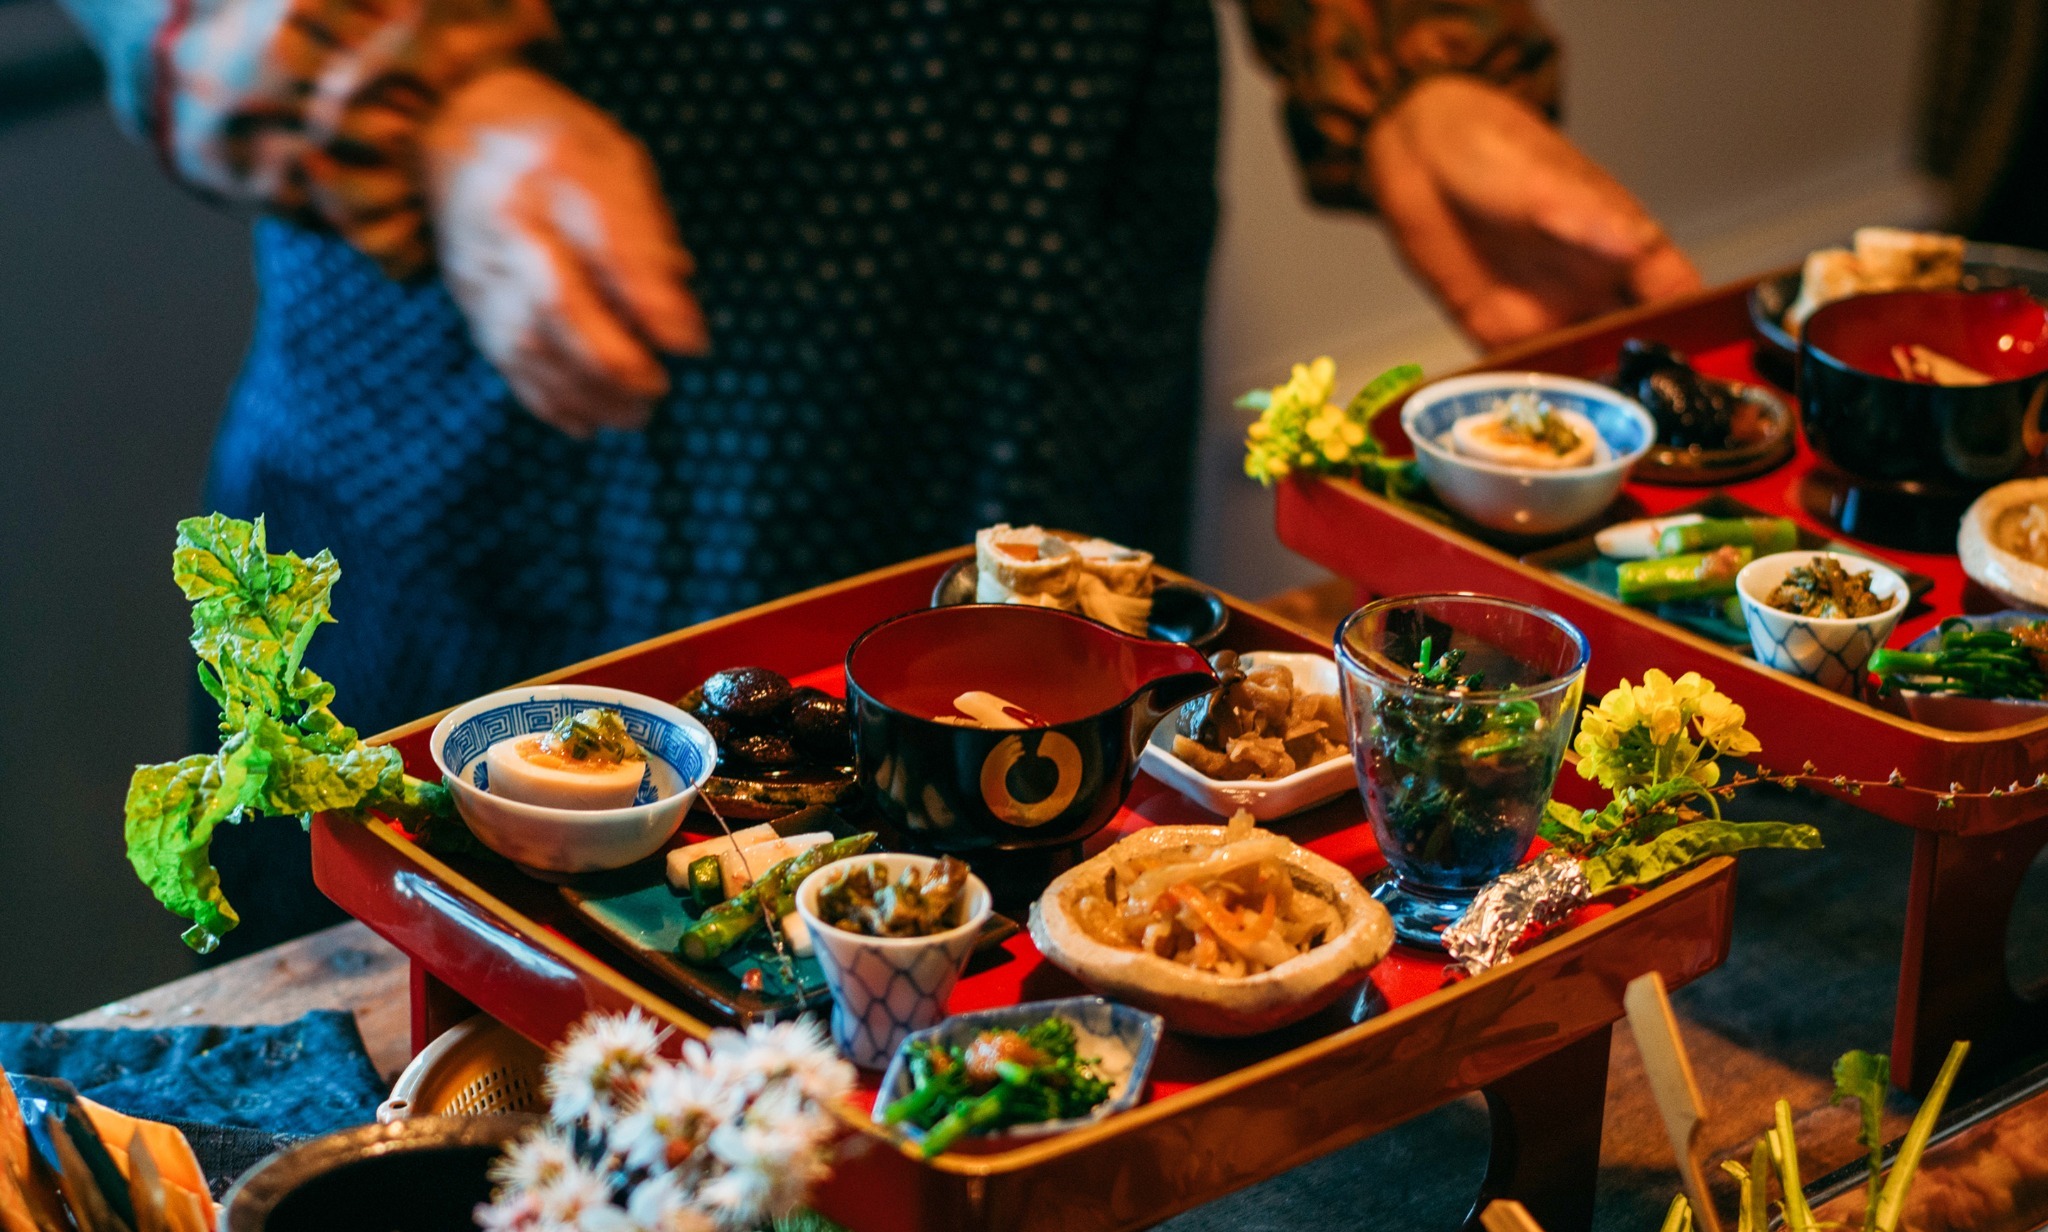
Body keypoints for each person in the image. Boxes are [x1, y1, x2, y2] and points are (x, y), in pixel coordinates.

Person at [63, 0, 1696, 951]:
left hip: (1012, 219)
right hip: (489, 301)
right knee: (448, 983)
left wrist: (1413, 54)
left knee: (1028, 856)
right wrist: (409, 91)